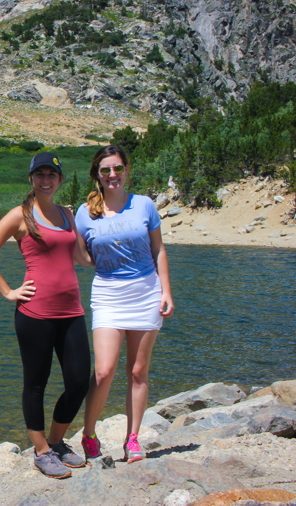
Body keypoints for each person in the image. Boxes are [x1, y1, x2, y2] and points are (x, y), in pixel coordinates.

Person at [0, 152, 94, 479]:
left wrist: (120, 255)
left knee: (79, 380)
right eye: (40, 174)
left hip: (71, 311)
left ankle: (56, 442)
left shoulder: (68, 215)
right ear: (32, 179)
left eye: (52, 174)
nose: (46, 180)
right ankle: (41, 450)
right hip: (34, 313)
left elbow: (83, 257)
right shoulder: (19, 216)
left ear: (60, 179)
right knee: (36, 383)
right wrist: (8, 291)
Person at [74, 145, 174, 464]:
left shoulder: (144, 205)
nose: (112, 175)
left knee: (138, 371)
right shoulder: (84, 212)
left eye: (117, 168)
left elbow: (158, 250)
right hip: (107, 293)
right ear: (97, 175)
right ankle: (89, 434)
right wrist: (107, 262)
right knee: (103, 371)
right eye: (106, 170)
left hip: (146, 292)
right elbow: (79, 255)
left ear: (127, 170)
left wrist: (166, 291)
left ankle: (132, 439)